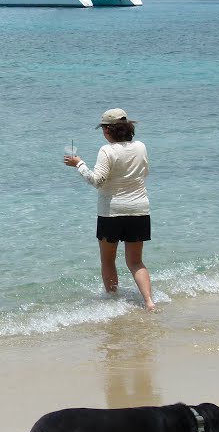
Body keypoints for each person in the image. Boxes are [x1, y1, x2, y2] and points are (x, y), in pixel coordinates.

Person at [63, 108, 155, 311]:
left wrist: (79, 164)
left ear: (107, 131)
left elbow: (97, 181)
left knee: (108, 261)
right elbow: (145, 171)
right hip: (139, 209)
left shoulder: (107, 151)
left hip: (111, 213)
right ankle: (149, 302)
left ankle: (113, 304)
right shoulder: (141, 147)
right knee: (136, 262)